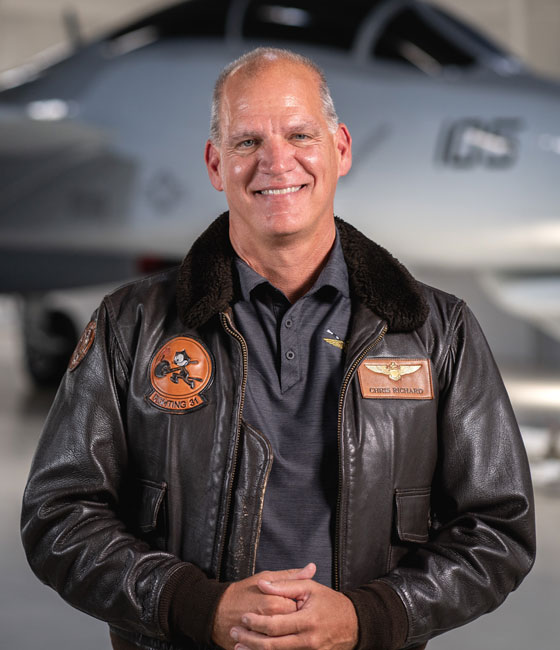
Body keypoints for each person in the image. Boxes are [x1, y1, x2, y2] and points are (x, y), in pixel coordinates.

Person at [21, 47, 535, 650]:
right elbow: (59, 515)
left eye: (299, 134)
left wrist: (369, 619)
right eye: (246, 143)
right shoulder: (131, 324)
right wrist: (194, 607)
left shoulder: (436, 329)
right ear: (216, 164)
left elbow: (500, 527)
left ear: (340, 149)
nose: (276, 161)